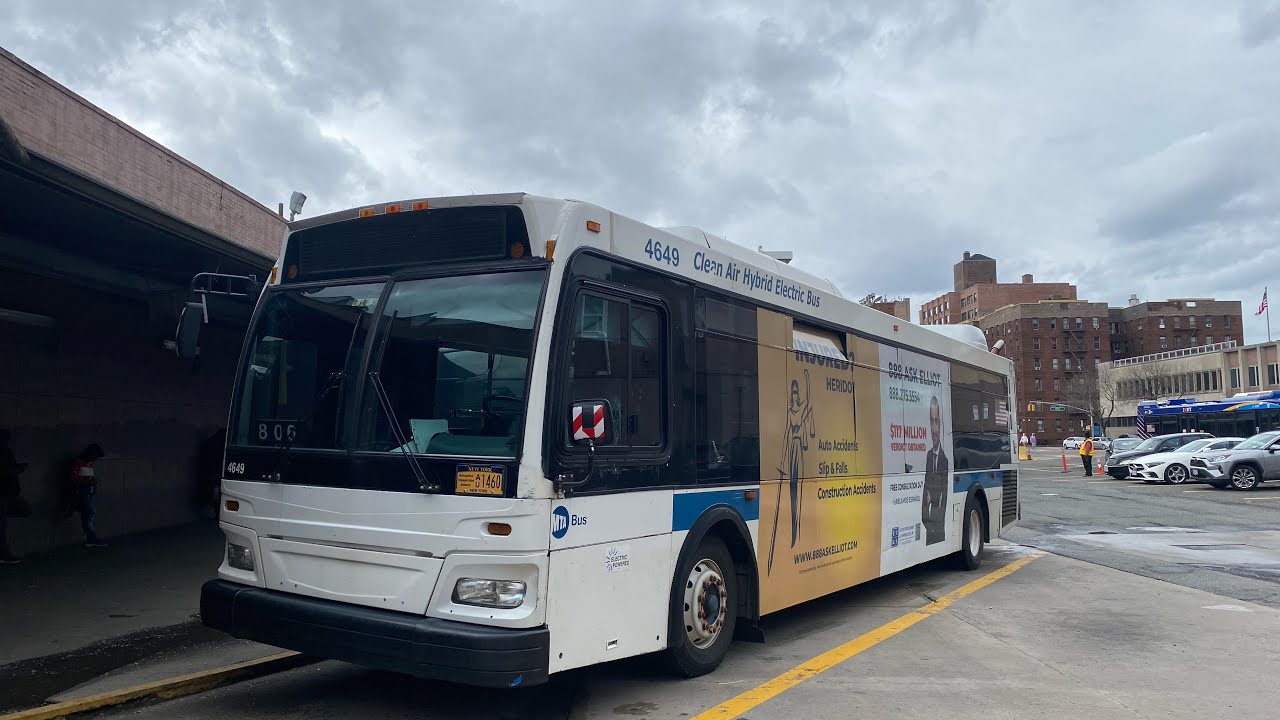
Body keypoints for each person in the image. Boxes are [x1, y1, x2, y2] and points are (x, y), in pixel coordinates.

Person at [922, 396, 949, 546]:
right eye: (931, 422)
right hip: (929, 519)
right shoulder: (928, 455)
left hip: (938, 519)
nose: (934, 428)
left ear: (941, 424)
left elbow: (943, 498)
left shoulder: (945, 459)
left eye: (936, 421)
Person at [70, 443, 107, 547]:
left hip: (88, 494)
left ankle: (91, 537)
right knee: (90, 512)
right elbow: (74, 479)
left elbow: (87, 478)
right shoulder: (78, 463)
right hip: (81, 493)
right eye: (95, 456)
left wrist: (92, 483)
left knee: (88, 514)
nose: (95, 459)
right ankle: (91, 537)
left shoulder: (88, 463)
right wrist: (89, 483)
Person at [1, 429, 28, 564]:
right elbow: (8, 470)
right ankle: (4, 554)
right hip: (4, 492)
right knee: (1, 524)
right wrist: (19, 469)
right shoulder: (4, 452)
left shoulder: (6, 452)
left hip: (7, 492)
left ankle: (4, 554)